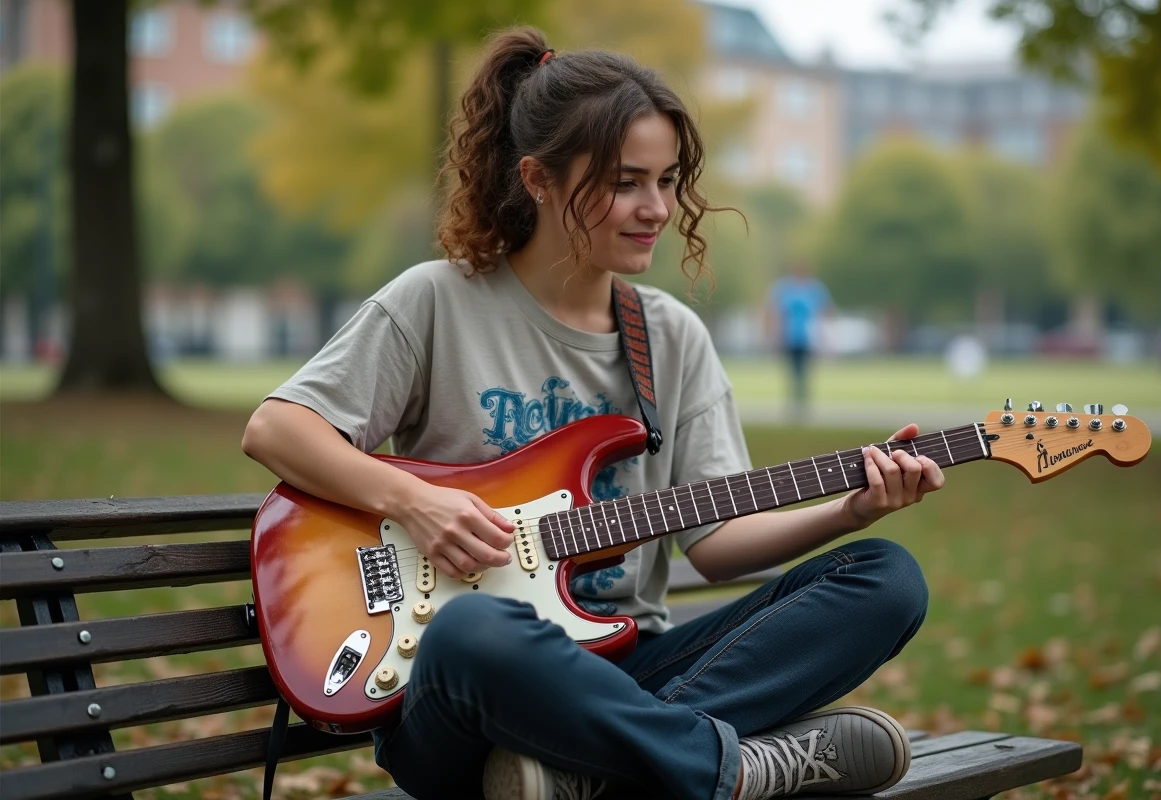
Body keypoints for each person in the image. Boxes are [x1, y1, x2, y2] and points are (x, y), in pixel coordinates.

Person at [241, 27, 945, 800]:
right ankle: (728, 768)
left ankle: (591, 771)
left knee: (887, 579)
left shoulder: (669, 336)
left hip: (633, 663)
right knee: (474, 632)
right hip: (461, 690)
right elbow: (277, 428)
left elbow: (715, 543)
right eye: (626, 182)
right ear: (539, 179)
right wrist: (415, 500)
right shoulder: (437, 301)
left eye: (668, 180)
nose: (657, 209)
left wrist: (849, 511)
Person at [767, 263, 832, 416]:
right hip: (789, 336)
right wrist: (774, 334)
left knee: (804, 371)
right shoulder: (784, 288)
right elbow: (775, 312)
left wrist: (825, 335)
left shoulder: (814, 288)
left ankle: (802, 404)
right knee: (792, 371)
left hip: (807, 337)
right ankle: (794, 404)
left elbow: (825, 309)